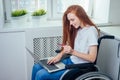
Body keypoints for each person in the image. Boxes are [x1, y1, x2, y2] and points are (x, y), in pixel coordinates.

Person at [31, 5, 99, 80]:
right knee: (36, 67)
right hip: (71, 61)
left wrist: (72, 51)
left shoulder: (91, 31)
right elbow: (69, 47)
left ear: (81, 16)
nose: (70, 23)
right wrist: (59, 55)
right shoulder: (79, 30)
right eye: (69, 20)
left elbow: (92, 58)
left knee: (41, 75)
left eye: (72, 20)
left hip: (79, 67)